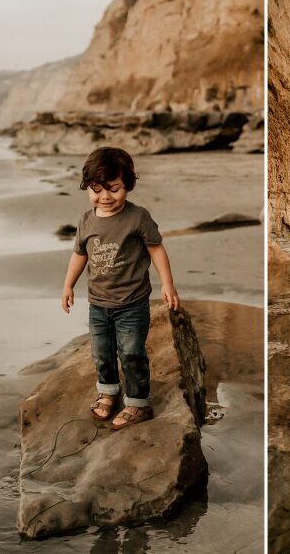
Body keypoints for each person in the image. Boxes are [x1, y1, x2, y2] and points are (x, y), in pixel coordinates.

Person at [60, 146, 180, 430]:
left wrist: (168, 284)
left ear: (128, 185)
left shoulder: (137, 217)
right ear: (87, 188)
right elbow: (80, 254)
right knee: (101, 352)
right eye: (96, 190)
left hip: (132, 303)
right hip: (99, 303)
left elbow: (156, 249)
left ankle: (139, 403)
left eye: (114, 189)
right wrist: (67, 285)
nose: (105, 197)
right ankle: (108, 391)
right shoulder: (87, 221)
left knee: (131, 353)